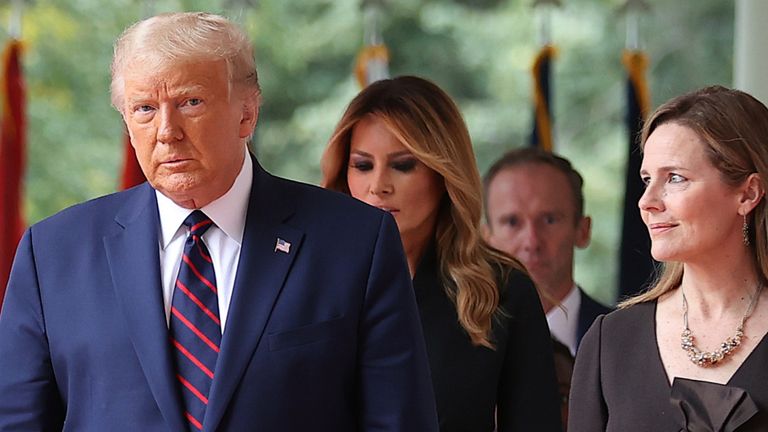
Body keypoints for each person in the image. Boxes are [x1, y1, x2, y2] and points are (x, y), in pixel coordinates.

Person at [0, 12, 438, 431]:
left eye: (190, 102)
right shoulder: (52, 254)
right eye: (145, 109)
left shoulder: (355, 242)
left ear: (247, 113)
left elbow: (398, 422)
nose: (167, 130)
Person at [321, 75, 562, 432]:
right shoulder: (306, 280)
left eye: (403, 165)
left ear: (443, 172)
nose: (378, 186)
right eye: (362, 165)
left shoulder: (503, 290)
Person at [569, 85, 768, 431]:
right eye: (647, 179)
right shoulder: (610, 341)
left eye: (675, 178)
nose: (647, 201)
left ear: (748, 193)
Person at [483, 147, 611, 356]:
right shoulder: (459, 344)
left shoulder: (632, 339)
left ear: (582, 230)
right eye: (512, 222)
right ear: (486, 238)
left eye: (549, 220)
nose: (532, 242)